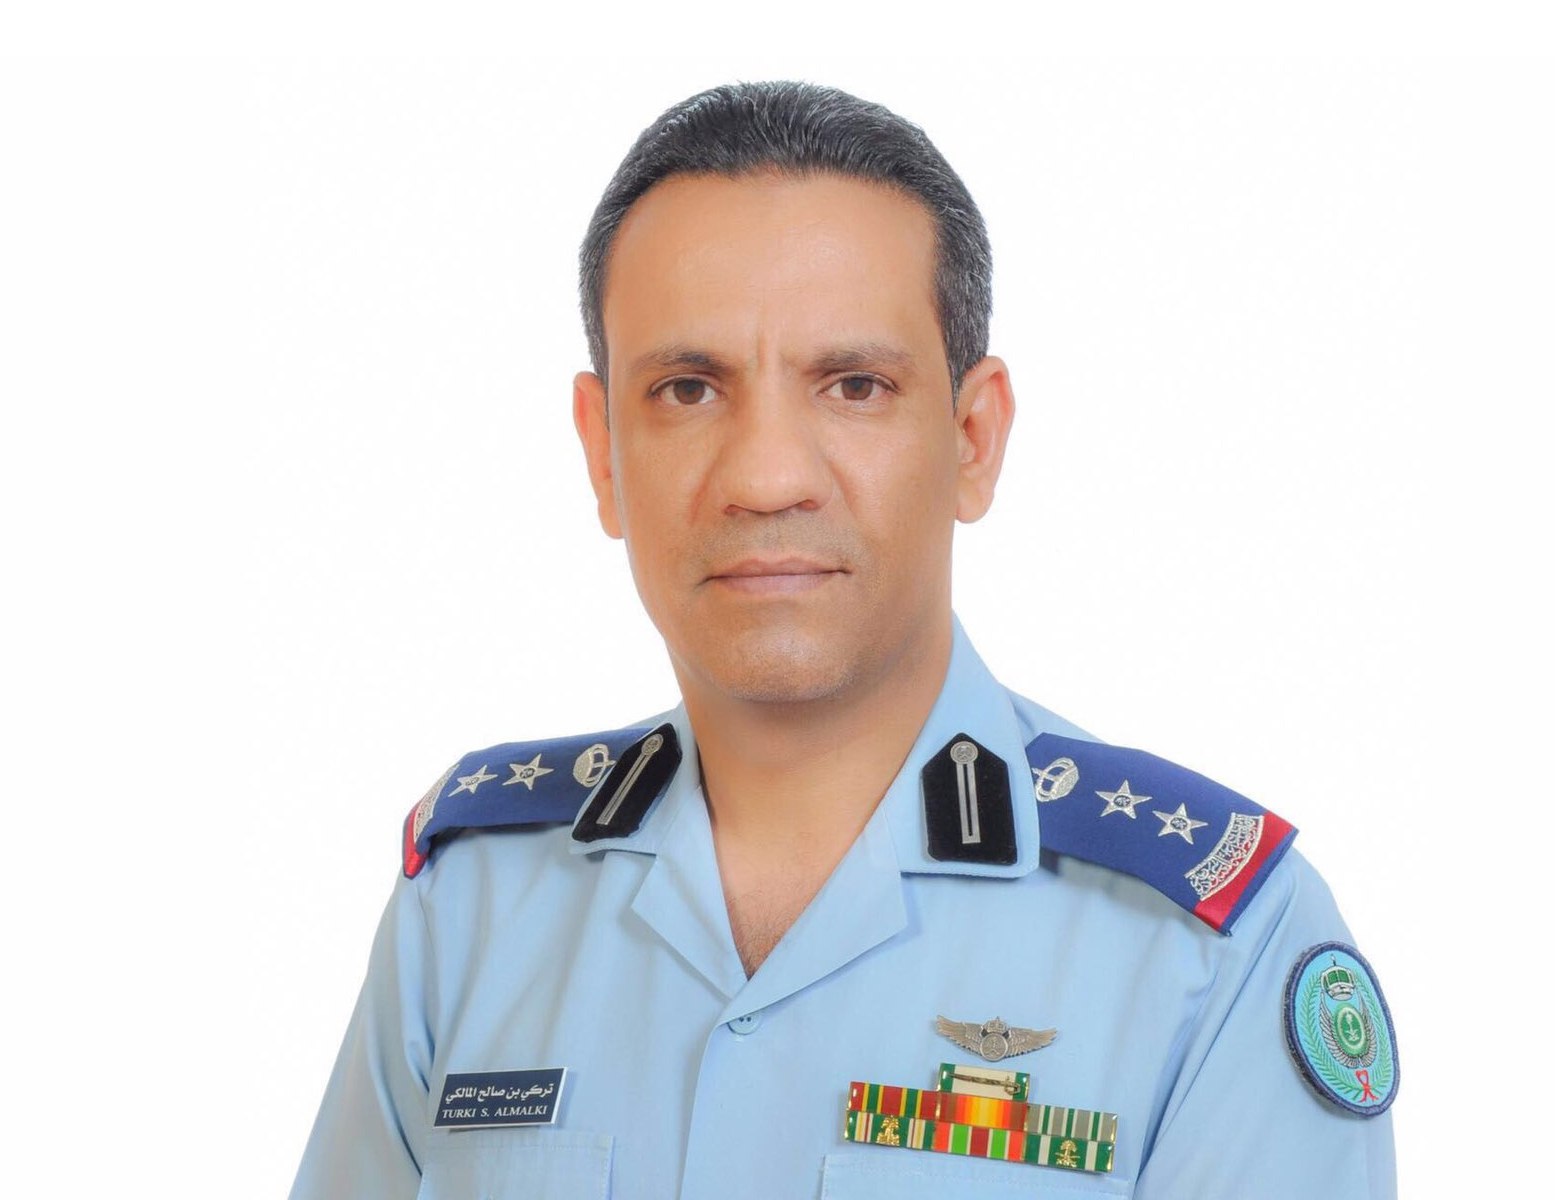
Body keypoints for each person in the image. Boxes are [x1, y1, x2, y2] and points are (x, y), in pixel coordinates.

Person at [291, 80, 1399, 1198]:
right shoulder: (471, 907)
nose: (768, 476)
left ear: (973, 439)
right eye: (687, 389)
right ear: (604, 452)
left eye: (854, 386)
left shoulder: (1210, 952)